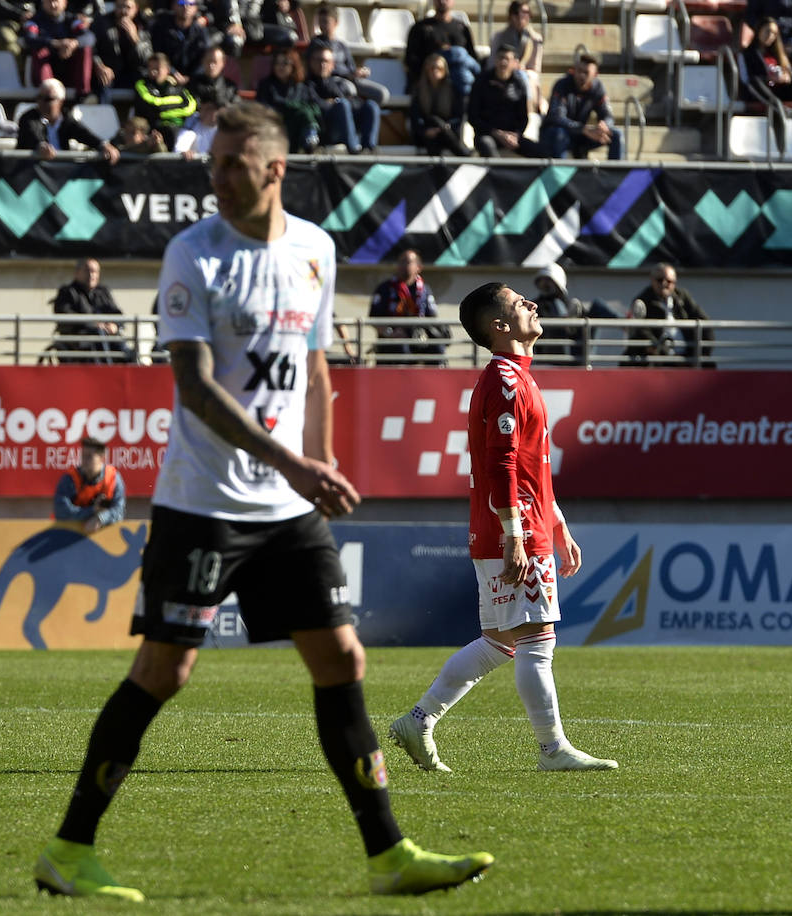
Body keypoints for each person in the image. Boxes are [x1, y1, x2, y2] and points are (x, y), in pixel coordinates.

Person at [33, 101, 493, 902]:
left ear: (274, 170)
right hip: (202, 499)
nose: (214, 180)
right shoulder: (192, 253)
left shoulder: (316, 250)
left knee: (341, 660)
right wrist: (295, 464)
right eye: (212, 165)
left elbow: (314, 371)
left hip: (287, 507)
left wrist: (319, 462)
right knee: (165, 670)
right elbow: (195, 387)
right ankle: (70, 850)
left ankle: (389, 854)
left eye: (231, 167)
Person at [388, 281, 618, 775]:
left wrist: (556, 521)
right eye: (519, 304)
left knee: (500, 642)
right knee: (537, 641)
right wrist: (517, 533)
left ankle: (418, 721)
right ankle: (552, 750)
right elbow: (502, 465)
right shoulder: (507, 382)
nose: (532, 305)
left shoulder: (516, 377)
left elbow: (531, 465)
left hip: (514, 523)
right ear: (500, 326)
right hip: (513, 529)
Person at [625, 263, 714, 367]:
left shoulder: (682, 296)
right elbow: (641, 331)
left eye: (668, 281)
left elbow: (704, 321)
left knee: (709, 365)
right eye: (659, 280)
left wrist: (702, 351)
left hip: (687, 356)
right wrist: (663, 352)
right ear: (652, 280)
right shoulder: (642, 300)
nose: (663, 283)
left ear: (674, 282)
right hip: (658, 359)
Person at [369, 249, 447, 364]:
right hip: (393, 341)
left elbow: (431, 317)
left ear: (418, 267)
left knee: (437, 349)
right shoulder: (385, 288)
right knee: (401, 348)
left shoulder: (424, 290)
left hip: (418, 339)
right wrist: (390, 333)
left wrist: (421, 331)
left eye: (407, 262)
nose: (402, 265)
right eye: (400, 262)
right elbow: (374, 318)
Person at [529, 262, 617, 364]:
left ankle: (626, 323)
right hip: (554, 352)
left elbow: (585, 318)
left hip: (575, 349)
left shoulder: (568, 304)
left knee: (597, 305)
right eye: (542, 281)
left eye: (548, 280)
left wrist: (579, 317)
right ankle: (568, 325)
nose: (544, 284)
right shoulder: (536, 305)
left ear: (558, 283)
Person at [16, 77, 121, 161]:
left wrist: (104, 145)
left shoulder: (66, 118)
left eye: (48, 99)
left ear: (60, 101)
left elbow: (83, 133)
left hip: (60, 171)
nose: (42, 102)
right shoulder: (28, 118)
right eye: (39, 98)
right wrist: (41, 147)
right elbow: (33, 134)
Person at [50, 258, 134, 363]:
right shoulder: (67, 292)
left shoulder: (103, 292)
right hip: (80, 339)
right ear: (77, 273)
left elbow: (117, 314)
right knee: (98, 334)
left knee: (122, 346)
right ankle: (107, 371)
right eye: (87, 271)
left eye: (95, 272)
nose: (91, 275)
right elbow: (65, 316)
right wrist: (93, 324)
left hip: (107, 336)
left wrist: (115, 325)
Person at [543, 53, 622, 160]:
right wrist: (582, 129)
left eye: (586, 72)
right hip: (557, 133)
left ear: (595, 75)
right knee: (559, 134)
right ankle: (560, 174)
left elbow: (608, 115)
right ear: (573, 70)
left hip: (581, 134)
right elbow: (557, 117)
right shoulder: (562, 85)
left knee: (616, 134)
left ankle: (615, 175)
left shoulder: (598, 88)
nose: (582, 75)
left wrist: (604, 125)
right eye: (579, 71)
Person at [305, 43, 379, 154]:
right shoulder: (306, 85)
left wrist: (337, 102)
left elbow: (355, 103)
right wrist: (337, 104)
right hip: (325, 130)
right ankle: (353, 150)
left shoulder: (338, 83)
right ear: (311, 62)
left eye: (326, 61)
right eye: (318, 60)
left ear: (332, 65)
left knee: (370, 105)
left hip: (345, 125)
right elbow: (316, 106)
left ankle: (369, 148)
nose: (322, 65)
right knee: (342, 104)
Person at [309, 4, 388, 106]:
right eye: (320, 22)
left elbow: (351, 67)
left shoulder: (341, 45)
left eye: (326, 22)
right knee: (349, 89)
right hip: (332, 80)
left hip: (350, 79)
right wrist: (347, 75)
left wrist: (358, 72)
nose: (322, 26)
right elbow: (320, 69)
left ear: (336, 23)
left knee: (381, 94)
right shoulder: (316, 44)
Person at [468, 45, 538, 158]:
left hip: (512, 136)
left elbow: (523, 117)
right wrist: (496, 133)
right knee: (487, 145)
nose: (503, 62)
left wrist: (515, 135)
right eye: (501, 58)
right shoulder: (481, 81)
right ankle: (497, 176)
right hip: (487, 134)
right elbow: (473, 117)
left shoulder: (519, 84)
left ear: (515, 62)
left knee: (541, 151)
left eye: (507, 59)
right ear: (495, 60)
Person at [404, 0, 479, 95]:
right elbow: (411, 60)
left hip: (459, 82)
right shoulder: (420, 28)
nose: (442, 1)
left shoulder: (462, 29)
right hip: (431, 80)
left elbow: (472, 57)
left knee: (460, 57)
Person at [23, 0, 96, 98]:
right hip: (45, 71)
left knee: (85, 48)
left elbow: (89, 37)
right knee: (40, 50)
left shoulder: (72, 20)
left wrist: (73, 44)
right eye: (49, 1)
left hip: (69, 70)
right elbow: (30, 39)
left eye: (56, 1)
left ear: (65, 3)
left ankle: (83, 95)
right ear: (42, 3)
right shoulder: (34, 21)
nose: (53, 5)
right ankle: (48, 96)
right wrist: (56, 44)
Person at [53, 437, 126, 533]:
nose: (84, 461)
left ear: (102, 458)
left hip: (104, 539)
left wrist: (100, 519)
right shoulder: (70, 479)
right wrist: (92, 511)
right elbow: (61, 511)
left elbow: (119, 510)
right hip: (66, 534)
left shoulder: (113, 478)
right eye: (83, 456)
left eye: (89, 457)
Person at [254, 48, 321, 152]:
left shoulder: (302, 87)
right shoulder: (266, 85)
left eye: (285, 63)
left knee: (306, 112)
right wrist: (292, 107)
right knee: (303, 111)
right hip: (276, 124)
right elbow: (262, 108)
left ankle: (310, 139)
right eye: (277, 63)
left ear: (293, 66)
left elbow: (315, 108)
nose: (280, 67)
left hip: (297, 128)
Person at [410, 53, 470, 156]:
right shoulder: (419, 90)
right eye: (432, 68)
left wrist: (445, 126)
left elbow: (459, 115)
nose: (435, 71)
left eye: (439, 68)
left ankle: (438, 170)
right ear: (426, 70)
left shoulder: (452, 89)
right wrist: (425, 131)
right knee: (433, 124)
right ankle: (464, 156)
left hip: (448, 130)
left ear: (444, 70)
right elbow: (415, 116)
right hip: (426, 131)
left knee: (437, 128)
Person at [132, 51, 195, 146]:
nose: (153, 72)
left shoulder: (177, 87)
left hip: (178, 129)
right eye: (150, 68)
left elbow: (190, 106)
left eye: (157, 68)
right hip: (153, 129)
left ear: (167, 70)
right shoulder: (142, 84)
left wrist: (162, 111)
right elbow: (154, 106)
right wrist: (177, 101)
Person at [92, 0, 151, 97]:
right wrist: (99, 65)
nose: (123, 11)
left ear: (136, 9)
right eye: (119, 7)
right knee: (103, 82)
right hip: (110, 70)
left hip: (133, 73)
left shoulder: (143, 25)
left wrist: (135, 39)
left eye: (128, 7)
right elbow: (92, 48)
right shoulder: (102, 22)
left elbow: (146, 59)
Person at [149, 0, 210, 86]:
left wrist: (190, 77)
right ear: (173, 6)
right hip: (166, 78)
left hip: (193, 81)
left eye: (191, 4)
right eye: (181, 3)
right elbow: (157, 53)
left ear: (196, 8)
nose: (186, 7)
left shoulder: (201, 32)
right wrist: (172, 72)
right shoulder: (161, 28)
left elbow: (204, 58)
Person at [743, 18, 792, 102]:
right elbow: (747, 80)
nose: (770, 36)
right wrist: (768, 79)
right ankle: (776, 106)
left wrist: (787, 77)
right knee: (756, 82)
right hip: (761, 93)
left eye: (774, 33)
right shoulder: (747, 54)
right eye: (767, 31)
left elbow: (791, 76)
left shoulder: (778, 55)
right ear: (759, 31)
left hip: (780, 91)